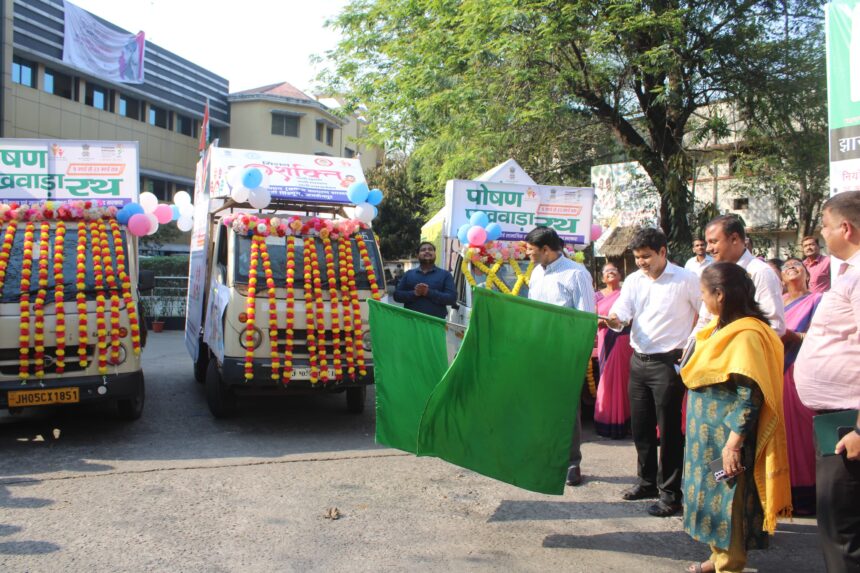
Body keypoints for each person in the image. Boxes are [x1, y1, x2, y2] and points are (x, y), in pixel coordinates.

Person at [681, 262, 791, 573]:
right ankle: (717, 557)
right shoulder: (719, 329)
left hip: (726, 439)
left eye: (704, 294)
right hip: (706, 436)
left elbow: (750, 396)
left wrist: (733, 445)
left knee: (728, 499)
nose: (702, 300)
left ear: (720, 294)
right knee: (710, 495)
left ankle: (730, 564)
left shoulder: (746, 336)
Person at [606, 227, 701, 517]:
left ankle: (671, 494)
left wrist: (691, 345)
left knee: (669, 430)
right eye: (637, 257)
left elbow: (706, 314)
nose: (641, 262)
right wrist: (615, 320)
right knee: (641, 426)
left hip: (668, 364)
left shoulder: (686, 279)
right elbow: (623, 310)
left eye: (646, 256)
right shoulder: (634, 280)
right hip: (639, 360)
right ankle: (646, 482)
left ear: (663, 252)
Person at [794, 191, 860, 572]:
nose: (821, 233)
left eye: (825, 225)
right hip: (836, 421)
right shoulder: (849, 275)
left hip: (849, 425)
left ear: (845, 228)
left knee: (843, 533)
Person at [525, 226, 596, 487]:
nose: (528, 254)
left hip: (565, 351)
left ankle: (571, 462)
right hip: (540, 350)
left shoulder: (576, 273)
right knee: (541, 404)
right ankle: (546, 457)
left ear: (546, 250)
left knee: (567, 408)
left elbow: (586, 317)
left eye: (531, 250)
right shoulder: (536, 273)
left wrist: (578, 355)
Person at [780, 257, 822, 515]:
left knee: (803, 433)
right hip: (776, 370)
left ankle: (808, 492)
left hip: (800, 369)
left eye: (798, 265)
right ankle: (782, 491)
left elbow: (821, 335)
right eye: (786, 266)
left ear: (807, 274)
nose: (791, 267)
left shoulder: (818, 301)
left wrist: (792, 336)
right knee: (781, 433)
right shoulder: (776, 304)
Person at [697, 215, 786, 336]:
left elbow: (774, 326)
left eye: (713, 242)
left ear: (734, 238)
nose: (708, 249)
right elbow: (704, 321)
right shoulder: (713, 274)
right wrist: (689, 351)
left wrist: (738, 345)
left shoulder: (760, 273)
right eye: (707, 243)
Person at [594, 262, 633, 439]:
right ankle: (607, 421)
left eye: (614, 270)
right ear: (602, 277)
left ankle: (625, 420)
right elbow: (592, 319)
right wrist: (604, 322)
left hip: (623, 339)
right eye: (607, 271)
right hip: (606, 338)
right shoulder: (597, 296)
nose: (610, 273)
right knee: (607, 379)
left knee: (624, 379)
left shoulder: (626, 293)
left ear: (619, 274)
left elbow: (632, 315)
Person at [393, 242, 456, 319]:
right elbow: (396, 296)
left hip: (436, 324)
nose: (427, 251)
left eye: (430, 249)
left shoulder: (445, 275)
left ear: (435, 254)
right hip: (411, 322)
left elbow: (452, 299)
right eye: (423, 250)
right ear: (417, 255)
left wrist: (428, 292)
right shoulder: (409, 274)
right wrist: (414, 293)